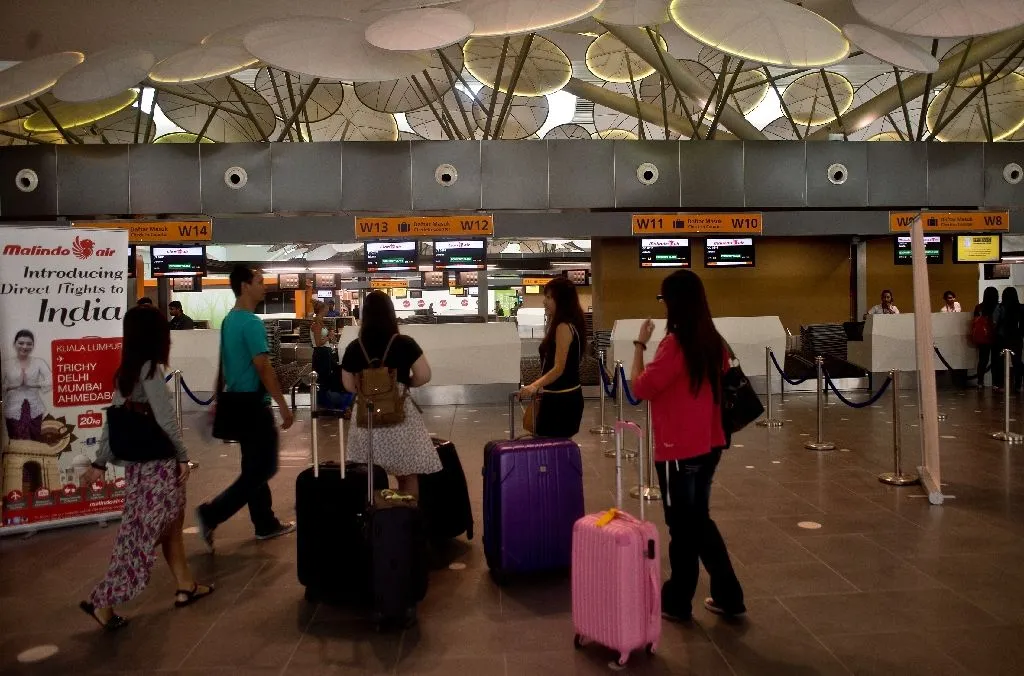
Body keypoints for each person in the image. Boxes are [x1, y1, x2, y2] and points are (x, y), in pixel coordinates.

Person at [79, 306, 214, 631]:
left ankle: (185, 585)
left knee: (169, 527)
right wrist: (182, 456)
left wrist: (100, 461)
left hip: (138, 468)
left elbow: (112, 422)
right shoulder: (151, 371)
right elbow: (166, 419)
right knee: (147, 534)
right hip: (159, 466)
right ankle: (104, 600)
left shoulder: (125, 373)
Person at [630, 269, 745, 622]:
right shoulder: (714, 342)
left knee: (683, 526)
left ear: (674, 302)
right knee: (696, 521)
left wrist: (639, 345)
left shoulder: (675, 345)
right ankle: (728, 595)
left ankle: (678, 601)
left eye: (663, 299)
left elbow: (640, 388)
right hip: (709, 444)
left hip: (677, 449)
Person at [195, 265, 295, 552]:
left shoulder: (229, 320)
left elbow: (225, 365)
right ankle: (212, 513)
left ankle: (265, 523)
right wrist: (283, 405)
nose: (265, 286)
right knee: (264, 467)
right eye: (259, 281)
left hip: (236, 403)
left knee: (253, 466)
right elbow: (263, 367)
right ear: (244, 286)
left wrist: (218, 396)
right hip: (254, 406)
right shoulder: (251, 323)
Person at [340, 291, 441, 498]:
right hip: (399, 416)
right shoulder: (405, 343)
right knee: (408, 474)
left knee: (368, 475)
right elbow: (424, 375)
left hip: (367, 418)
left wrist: (367, 389)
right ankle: (407, 514)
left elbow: (348, 385)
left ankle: (375, 513)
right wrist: (404, 384)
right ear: (390, 314)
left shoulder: (355, 347)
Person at [518, 277, 586, 437]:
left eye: (549, 297)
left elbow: (559, 368)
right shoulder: (570, 324)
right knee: (557, 446)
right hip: (562, 398)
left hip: (561, 401)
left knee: (551, 446)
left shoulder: (563, 327)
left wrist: (534, 386)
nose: (544, 301)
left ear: (561, 300)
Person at [3, 330, 51, 441]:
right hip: (12, 409)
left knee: (34, 441)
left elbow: (52, 380)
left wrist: (33, 384)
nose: (25, 347)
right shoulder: (6, 364)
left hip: (34, 408)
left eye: (29, 344)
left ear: (33, 345)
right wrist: (14, 385)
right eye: (21, 343)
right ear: (14, 344)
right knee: (16, 442)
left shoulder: (39, 362)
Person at [993, 287, 1023, 391]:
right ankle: (1018, 384)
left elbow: (994, 321)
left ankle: (1001, 384)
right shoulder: (1020, 307)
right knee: (1017, 361)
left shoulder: (1000, 307)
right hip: (1016, 337)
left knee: (1000, 362)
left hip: (1002, 337)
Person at [974, 287, 999, 388]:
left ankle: (980, 382)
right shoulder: (998, 307)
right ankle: (995, 383)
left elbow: (975, 322)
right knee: (995, 360)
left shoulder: (979, 307)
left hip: (983, 337)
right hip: (996, 336)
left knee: (983, 360)